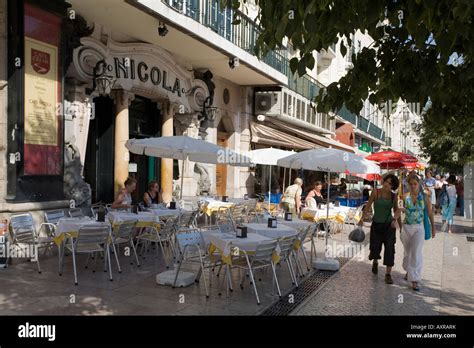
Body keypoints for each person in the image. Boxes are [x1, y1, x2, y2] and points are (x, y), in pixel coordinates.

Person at [358, 173, 400, 284]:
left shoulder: (393, 196)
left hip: (389, 225)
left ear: (393, 186)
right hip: (376, 224)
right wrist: (362, 218)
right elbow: (368, 206)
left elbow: (397, 210)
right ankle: (375, 261)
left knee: (390, 248)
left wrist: (396, 221)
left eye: (390, 183)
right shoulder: (375, 192)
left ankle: (388, 274)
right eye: (386, 181)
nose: (387, 184)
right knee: (375, 247)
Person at [399, 174, 435, 291]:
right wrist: (398, 224)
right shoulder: (404, 197)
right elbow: (398, 211)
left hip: (419, 228)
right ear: (408, 185)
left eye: (415, 184)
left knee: (416, 252)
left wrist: (433, 228)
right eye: (411, 184)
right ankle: (409, 271)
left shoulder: (425, 197)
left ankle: (415, 280)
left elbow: (430, 213)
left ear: (419, 184)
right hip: (406, 228)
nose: (413, 186)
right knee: (407, 252)